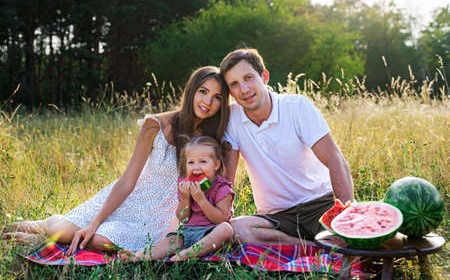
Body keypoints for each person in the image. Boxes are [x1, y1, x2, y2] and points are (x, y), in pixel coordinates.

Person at [2, 66, 230, 255]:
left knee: (102, 240)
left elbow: (217, 186)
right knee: (64, 229)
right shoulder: (157, 125)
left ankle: (49, 241)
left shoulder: (214, 139)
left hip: (167, 213)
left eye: (217, 97)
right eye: (203, 91)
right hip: (134, 197)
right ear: (191, 91)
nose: (208, 101)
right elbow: (128, 180)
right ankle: (40, 227)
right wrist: (94, 221)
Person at [220, 48, 354, 245]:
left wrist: (345, 216)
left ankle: (327, 242)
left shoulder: (297, 107)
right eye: (235, 84)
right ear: (230, 91)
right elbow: (226, 181)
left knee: (366, 229)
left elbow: (335, 160)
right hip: (278, 218)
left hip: (321, 205)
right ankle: (312, 247)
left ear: (264, 77)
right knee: (237, 230)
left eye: (248, 78)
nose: (244, 89)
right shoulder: (232, 119)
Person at [120, 135, 234, 262]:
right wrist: (185, 199)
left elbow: (221, 219)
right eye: (191, 162)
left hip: (211, 232)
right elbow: (182, 218)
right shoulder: (185, 185)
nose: (196, 167)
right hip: (187, 232)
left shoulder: (222, 188)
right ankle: (137, 257)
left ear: (216, 165)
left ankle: (185, 255)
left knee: (226, 229)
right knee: (168, 242)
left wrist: (201, 200)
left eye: (203, 161)